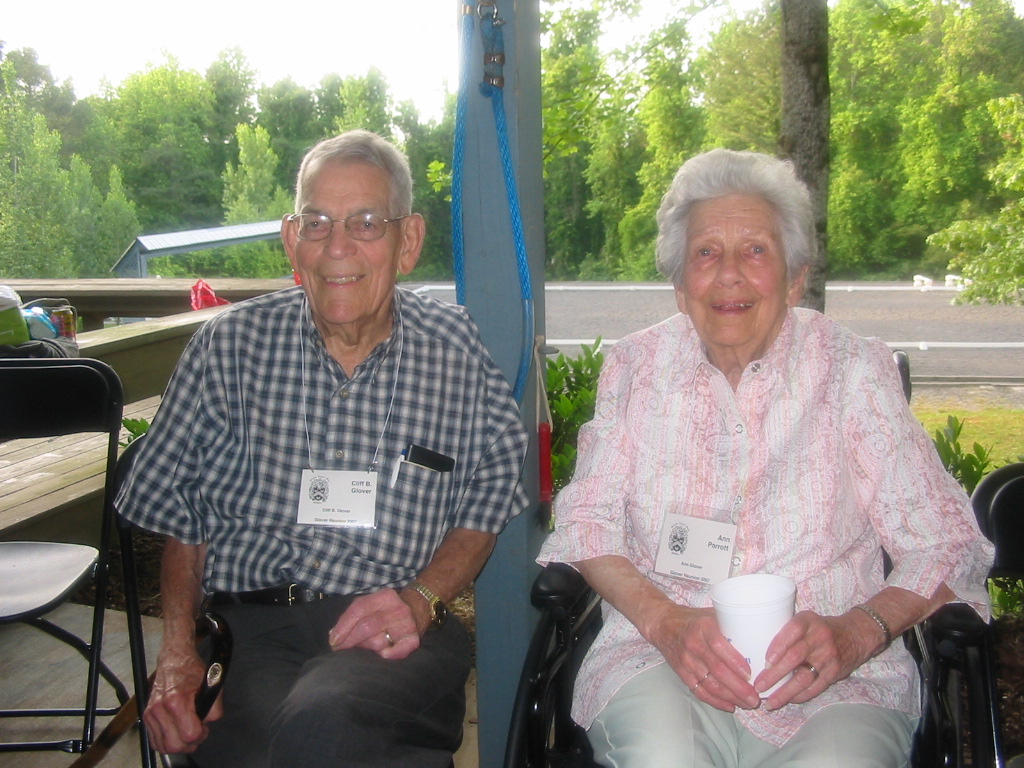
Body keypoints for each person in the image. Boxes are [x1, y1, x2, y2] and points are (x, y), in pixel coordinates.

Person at [538, 149, 994, 768]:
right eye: (706, 253)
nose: (729, 274)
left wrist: (859, 631)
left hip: (835, 673)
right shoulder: (637, 367)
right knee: (663, 756)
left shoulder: (852, 370)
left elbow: (944, 541)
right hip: (663, 654)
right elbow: (587, 521)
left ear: (794, 278)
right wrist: (666, 622)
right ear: (680, 286)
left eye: (755, 250)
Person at [117, 129, 530, 768]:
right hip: (250, 631)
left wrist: (423, 598)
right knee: (260, 751)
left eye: (366, 223)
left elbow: (495, 484)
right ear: (292, 240)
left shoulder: (453, 349)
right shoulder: (230, 347)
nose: (338, 247)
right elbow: (183, 514)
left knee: (321, 724)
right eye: (316, 223)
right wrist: (177, 653)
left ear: (408, 240)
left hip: (394, 625)